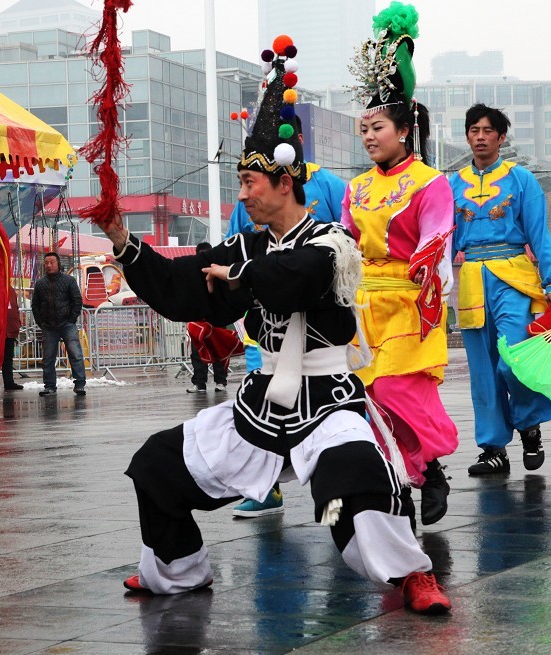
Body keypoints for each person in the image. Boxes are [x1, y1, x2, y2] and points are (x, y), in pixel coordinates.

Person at [96, 29, 450, 615]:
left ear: (284, 182)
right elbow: (188, 289)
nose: (243, 194)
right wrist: (125, 243)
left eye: (249, 183)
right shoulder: (247, 244)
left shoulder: (333, 241)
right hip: (261, 403)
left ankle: (410, 573)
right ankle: (178, 570)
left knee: (354, 478)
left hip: (327, 399)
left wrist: (242, 275)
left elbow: (299, 276)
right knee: (154, 466)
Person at [341, 3, 457, 527]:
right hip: (365, 303)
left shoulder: (431, 182)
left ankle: (430, 467)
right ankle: (403, 482)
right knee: (371, 400)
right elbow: (343, 242)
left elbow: (437, 233)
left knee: (396, 388)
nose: (369, 136)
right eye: (364, 128)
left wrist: (431, 268)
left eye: (378, 127)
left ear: (404, 130)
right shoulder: (357, 188)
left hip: (411, 299)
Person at [225, 118, 347, 517]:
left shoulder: (328, 184)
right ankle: (266, 484)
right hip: (265, 311)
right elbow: (239, 240)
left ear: (298, 141)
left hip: (315, 312)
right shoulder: (253, 190)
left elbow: (346, 243)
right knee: (264, 387)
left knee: (326, 405)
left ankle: (337, 481)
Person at [449, 104, 551, 475]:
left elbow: (538, 232)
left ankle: (530, 424)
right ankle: (493, 448)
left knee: (515, 359)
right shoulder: (451, 184)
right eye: (473, 130)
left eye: (488, 130)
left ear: (501, 138)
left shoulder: (521, 179)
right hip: (470, 278)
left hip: (513, 274)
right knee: (482, 370)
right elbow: (444, 239)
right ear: (467, 136)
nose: (480, 136)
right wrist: (433, 281)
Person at [31, 252, 86, 396]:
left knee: (75, 354)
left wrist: (72, 318)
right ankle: (49, 386)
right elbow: (35, 305)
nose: (49, 265)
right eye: (46, 263)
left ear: (58, 263)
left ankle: (79, 384)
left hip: (67, 324)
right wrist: (41, 322)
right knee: (48, 357)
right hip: (48, 326)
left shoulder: (69, 280)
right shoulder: (40, 283)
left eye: (52, 262)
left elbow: (77, 301)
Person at [186, 242, 229, 394]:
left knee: (218, 351)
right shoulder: (192, 273)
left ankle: (221, 381)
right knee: (197, 352)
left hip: (218, 318)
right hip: (199, 319)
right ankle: (199, 383)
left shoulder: (220, 272)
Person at [3, 297, 24, 391]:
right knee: (5, 358)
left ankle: (9, 382)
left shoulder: (9, 290)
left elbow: (14, 308)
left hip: (9, 330)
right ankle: (8, 382)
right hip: (3, 330)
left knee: (8, 358)